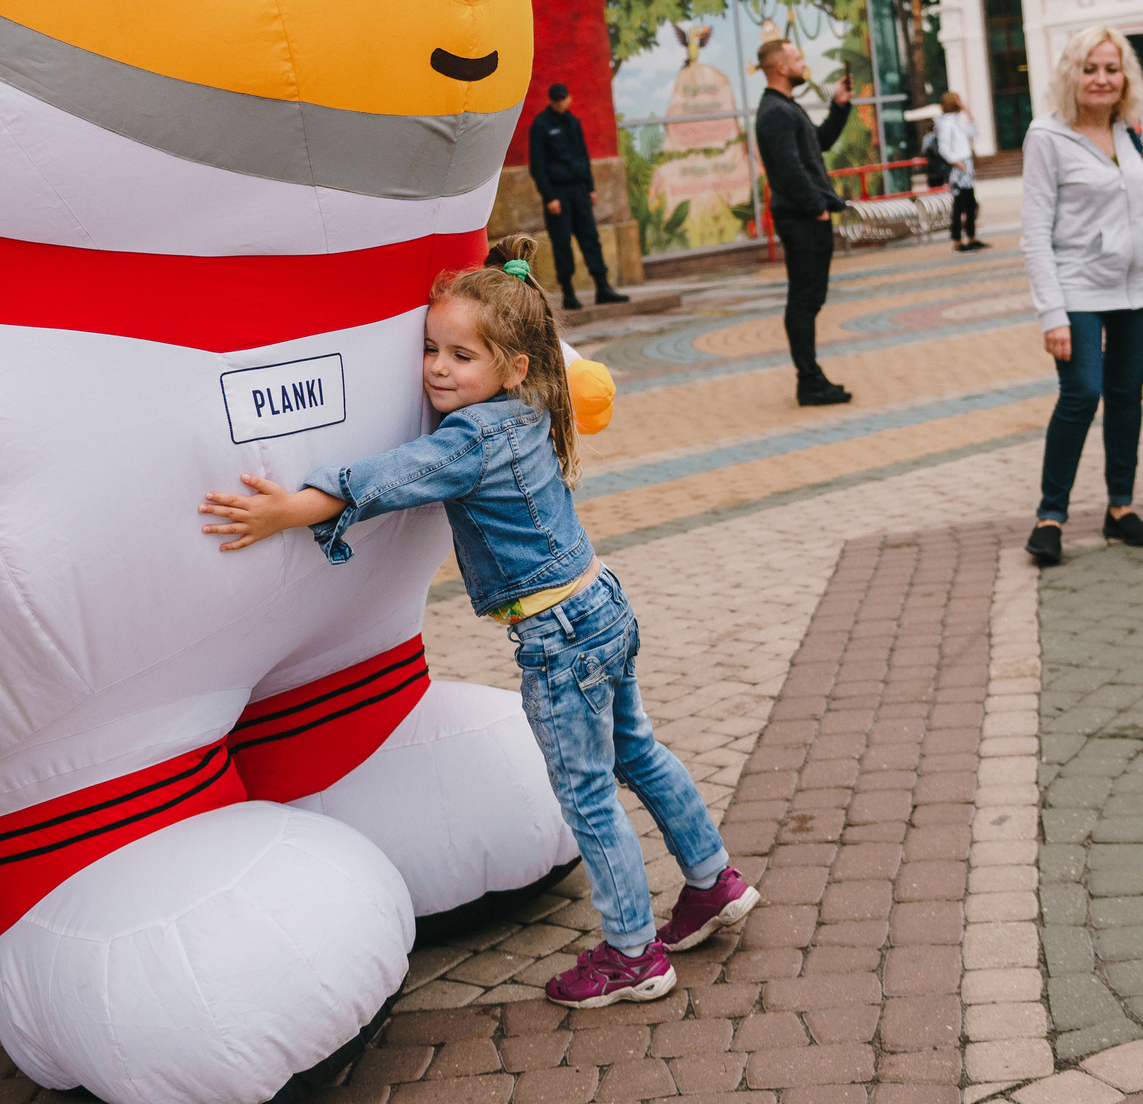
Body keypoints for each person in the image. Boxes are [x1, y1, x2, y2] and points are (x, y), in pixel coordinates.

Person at [200, 243, 759, 1008]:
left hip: (559, 638)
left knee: (589, 795)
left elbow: (387, 477)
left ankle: (633, 952)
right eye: (431, 348)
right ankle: (712, 879)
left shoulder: (470, 438)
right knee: (639, 751)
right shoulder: (532, 406)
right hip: (602, 604)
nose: (437, 367)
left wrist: (283, 511)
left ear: (514, 365)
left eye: (463, 354)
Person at [1020, 25, 1143, 566]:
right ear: (1070, 75)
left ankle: (1120, 509)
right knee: (1081, 393)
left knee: (1126, 395)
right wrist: (1052, 313)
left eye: (1111, 68)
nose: (1101, 79)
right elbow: (1034, 233)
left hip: (1141, 286)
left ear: (1125, 76)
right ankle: (1051, 515)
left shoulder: (1133, 131)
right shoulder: (1047, 137)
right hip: (1077, 287)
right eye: (1090, 69)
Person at [753, 39, 855, 406]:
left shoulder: (785, 108)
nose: (802, 62)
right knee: (804, 298)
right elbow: (788, 170)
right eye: (796, 58)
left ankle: (811, 378)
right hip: (802, 218)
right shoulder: (775, 112)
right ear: (781, 67)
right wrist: (816, 207)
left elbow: (818, 143)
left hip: (807, 216)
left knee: (809, 298)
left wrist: (839, 107)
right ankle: (809, 381)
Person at [527, 83, 629, 313]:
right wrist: (549, 196)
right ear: (550, 100)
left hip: (580, 191)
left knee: (590, 239)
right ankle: (569, 293)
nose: (560, 102)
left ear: (569, 99)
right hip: (558, 195)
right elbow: (538, 165)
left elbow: (583, 155)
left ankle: (603, 288)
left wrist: (590, 187)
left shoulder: (573, 122)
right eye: (556, 99)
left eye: (563, 98)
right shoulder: (541, 125)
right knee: (562, 243)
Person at [933, 91, 986, 251]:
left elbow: (974, 130)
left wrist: (968, 111)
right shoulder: (946, 124)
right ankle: (957, 239)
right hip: (959, 167)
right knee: (959, 204)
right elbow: (944, 148)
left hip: (965, 165)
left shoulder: (956, 122)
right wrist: (958, 163)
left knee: (970, 203)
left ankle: (971, 236)